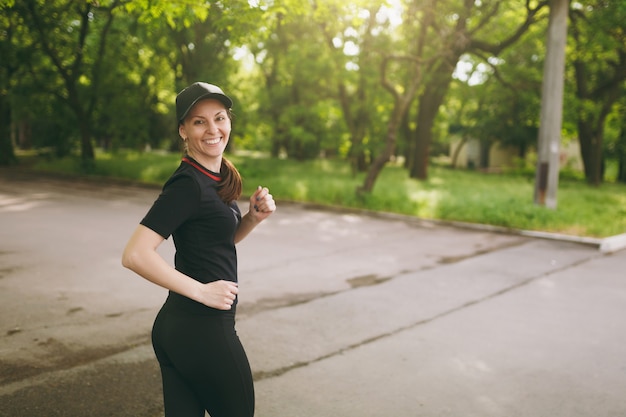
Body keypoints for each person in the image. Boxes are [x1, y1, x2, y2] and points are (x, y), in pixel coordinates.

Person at [122, 82, 275, 417]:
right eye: (198, 121)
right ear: (183, 131)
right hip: (201, 328)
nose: (212, 129)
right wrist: (201, 291)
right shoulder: (188, 184)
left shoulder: (213, 178)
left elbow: (212, 241)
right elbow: (135, 254)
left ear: (230, 123)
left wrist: (252, 219)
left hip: (180, 328)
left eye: (219, 118)